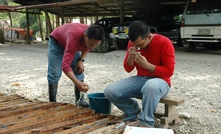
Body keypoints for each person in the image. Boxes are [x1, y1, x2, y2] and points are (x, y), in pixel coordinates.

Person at [104, 20, 175, 127]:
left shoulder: (164, 43)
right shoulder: (133, 43)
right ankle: (133, 112)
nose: (138, 48)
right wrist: (130, 58)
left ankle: (145, 123)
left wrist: (147, 66)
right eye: (135, 45)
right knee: (110, 91)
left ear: (149, 37)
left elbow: (169, 72)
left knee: (150, 86)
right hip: (141, 79)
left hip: (161, 82)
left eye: (140, 45)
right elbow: (128, 68)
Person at [47, 23, 104, 108]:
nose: (93, 48)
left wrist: (80, 60)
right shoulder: (74, 38)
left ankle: (80, 101)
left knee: (78, 69)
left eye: (96, 45)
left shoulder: (92, 34)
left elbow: (88, 47)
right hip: (57, 42)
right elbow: (65, 65)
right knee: (55, 73)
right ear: (85, 36)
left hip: (71, 42)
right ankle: (53, 103)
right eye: (92, 44)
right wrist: (77, 83)